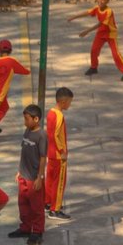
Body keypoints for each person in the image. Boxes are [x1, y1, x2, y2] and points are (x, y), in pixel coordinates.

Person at [8, 103, 47, 245]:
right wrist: (19, 171)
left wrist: (40, 177)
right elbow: (24, 152)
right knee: (23, 204)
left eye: (27, 119)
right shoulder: (27, 131)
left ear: (36, 119)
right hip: (23, 176)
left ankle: (37, 231)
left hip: (33, 178)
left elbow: (43, 158)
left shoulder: (41, 136)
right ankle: (25, 227)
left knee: (36, 207)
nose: (25, 122)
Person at [71, 0, 123, 78]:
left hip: (110, 33)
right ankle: (94, 67)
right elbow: (88, 12)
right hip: (101, 33)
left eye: (104, 0)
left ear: (108, 1)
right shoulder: (96, 8)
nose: (101, 1)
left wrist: (87, 31)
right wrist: (74, 17)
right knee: (94, 50)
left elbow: (100, 24)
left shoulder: (109, 11)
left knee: (115, 54)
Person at [45, 88, 73, 220]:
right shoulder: (59, 116)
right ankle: (55, 209)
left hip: (50, 153)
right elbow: (55, 135)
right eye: (69, 102)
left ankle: (48, 202)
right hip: (58, 155)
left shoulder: (50, 113)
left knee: (50, 180)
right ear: (63, 101)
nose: (70, 105)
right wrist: (62, 151)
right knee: (59, 182)